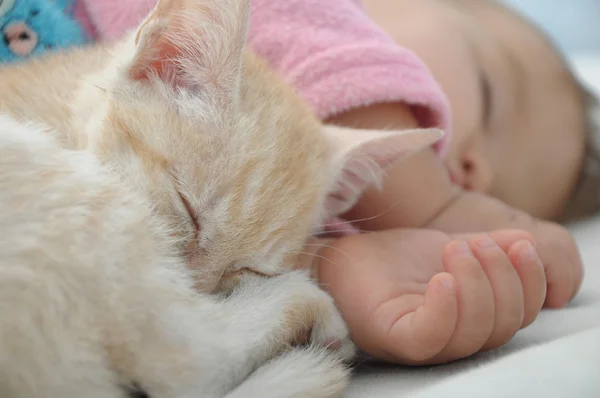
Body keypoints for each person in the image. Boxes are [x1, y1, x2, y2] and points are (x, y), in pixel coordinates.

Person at [71, 0, 596, 364]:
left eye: (494, 189)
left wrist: (333, 269)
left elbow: (233, 257)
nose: (473, 166)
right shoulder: (262, 30)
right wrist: (435, 203)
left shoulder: (273, 188)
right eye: (491, 91)